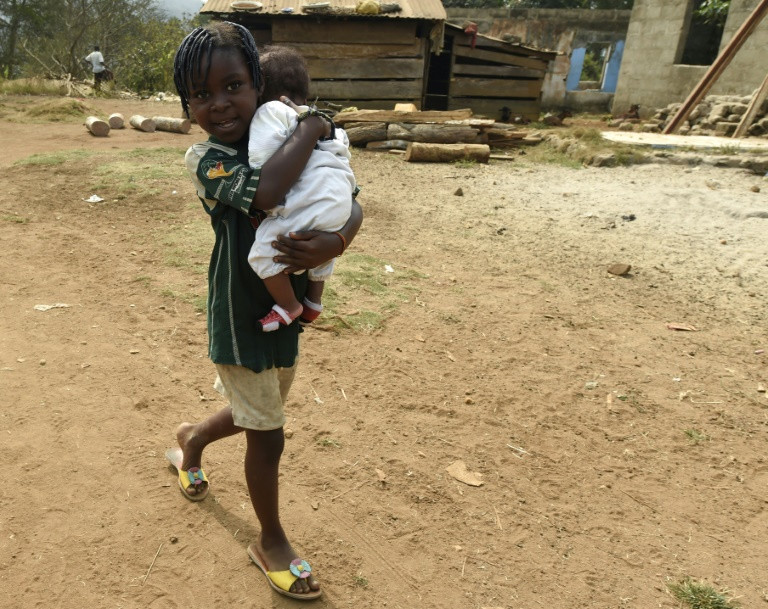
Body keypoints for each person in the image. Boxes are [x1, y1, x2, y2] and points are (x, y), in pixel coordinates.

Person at [166, 21, 363, 600]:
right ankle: (270, 539)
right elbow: (269, 193)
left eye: (233, 86)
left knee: (259, 410)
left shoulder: (285, 134)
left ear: (258, 84)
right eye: (201, 95)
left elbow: (349, 196)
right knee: (268, 432)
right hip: (239, 311)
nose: (219, 104)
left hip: (287, 312)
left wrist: (341, 239)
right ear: (188, 106)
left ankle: (191, 441)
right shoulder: (207, 158)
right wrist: (317, 123)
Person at [247, 46, 356, 332]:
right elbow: (343, 157)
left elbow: (262, 160)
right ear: (305, 96)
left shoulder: (271, 111)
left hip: (306, 205)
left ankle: (289, 305)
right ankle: (314, 300)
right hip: (340, 206)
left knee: (261, 252)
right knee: (321, 244)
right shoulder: (327, 122)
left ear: (261, 93)